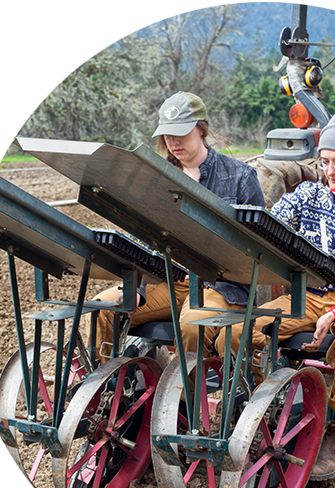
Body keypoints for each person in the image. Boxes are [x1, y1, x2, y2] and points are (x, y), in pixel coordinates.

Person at [216, 108, 335, 480]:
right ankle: (258, 406)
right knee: (244, 330)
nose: (330, 170)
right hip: (308, 298)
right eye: (324, 161)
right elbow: (270, 226)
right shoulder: (307, 196)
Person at [89, 91, 265, 362]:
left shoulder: (240, 177)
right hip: (169, 280)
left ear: (201, 128)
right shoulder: (156, 178)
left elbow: (258, 248)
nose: (173, 142)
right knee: (103, 309)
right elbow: (141, 241)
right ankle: (105, 396)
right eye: (167, 135)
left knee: (194, 325)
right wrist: (135, 289)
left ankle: (184, 403)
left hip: (221, 287)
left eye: (181, 133)